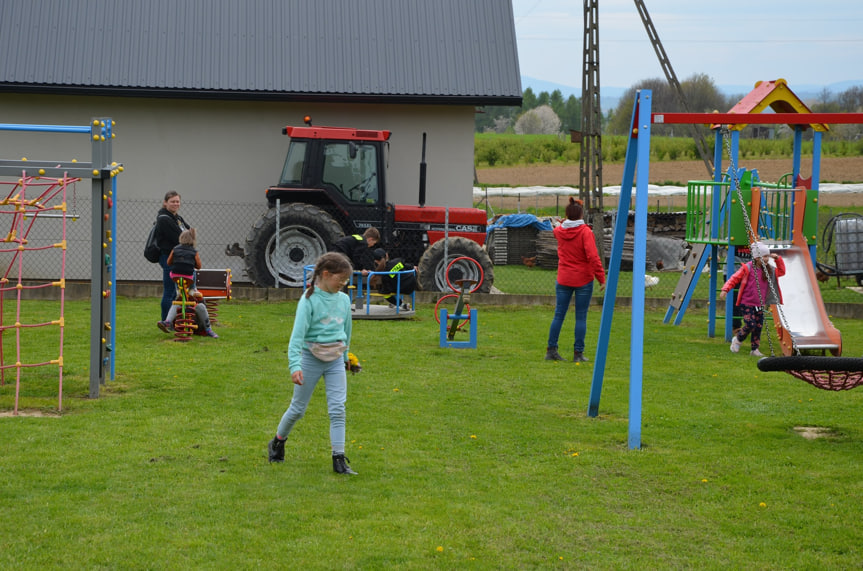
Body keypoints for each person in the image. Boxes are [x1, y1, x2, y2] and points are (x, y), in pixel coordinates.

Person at [268, 252, 357, 475]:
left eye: (346, 281)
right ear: (325, 275)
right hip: (310, 359)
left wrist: (346, 359)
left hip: (335, 359)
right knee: (298, 409)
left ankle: (339, 459)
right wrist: (295, 366)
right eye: (340, 280)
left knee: (338, 408)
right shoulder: (308, 301)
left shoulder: (344, 300)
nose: (343, 285)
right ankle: (278, 442)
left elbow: (346, 331)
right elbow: (297, 337)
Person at [545, 197, 606, 363]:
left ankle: (551, 350)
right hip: (583, 280)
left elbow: (560, 228)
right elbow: (593, 256)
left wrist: (565, 221)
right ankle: (578, 353)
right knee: (580, 317)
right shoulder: (586, 232)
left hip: (564, 278)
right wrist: (601, 278)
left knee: (559, 315)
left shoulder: (559, 231)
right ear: (581, 215)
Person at [720, 241, 785, 357]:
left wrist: (778, 259)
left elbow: (781, 272)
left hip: (760, 303)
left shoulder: (769, 269)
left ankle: (754, 349)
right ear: (756, 257)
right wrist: (726, 289)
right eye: (763, 256)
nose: (766, 259)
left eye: (767, 256)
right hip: (747, 302)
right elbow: (734, 278)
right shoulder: (748, 268)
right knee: (750, 324)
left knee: (758, 327)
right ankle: (738, 339)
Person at [154, 191, 190, 320]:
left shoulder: (177, 218)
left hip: (181, 258)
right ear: (165, 203)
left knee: (180, 291)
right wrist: (187, 238)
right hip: (169, 257)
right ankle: (166, 321)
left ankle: (178, 319)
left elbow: (189, 232)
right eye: (172, 201)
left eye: (177, 201)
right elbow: (179, 238)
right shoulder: (164, 218)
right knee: (170, 291)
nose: (176, 204)